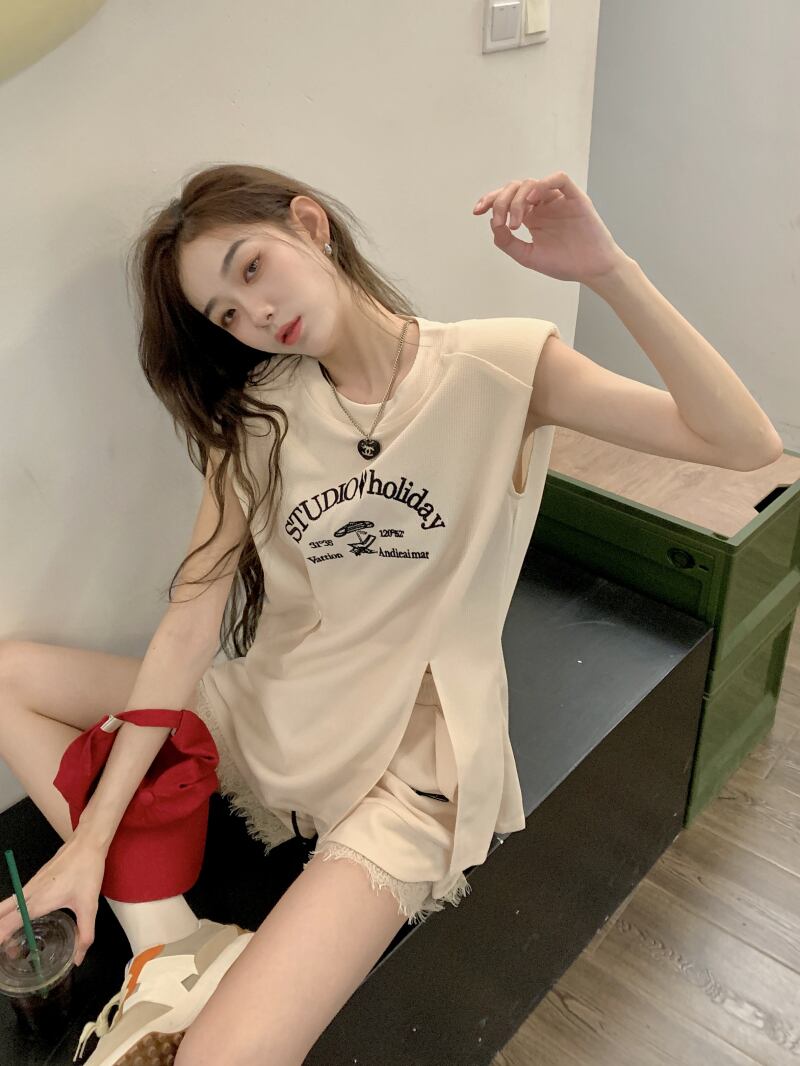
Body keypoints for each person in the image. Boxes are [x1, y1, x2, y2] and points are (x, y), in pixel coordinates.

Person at [0, 162, 560, 1066]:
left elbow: (737, 439)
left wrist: (605, 270)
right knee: (9, 677)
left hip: (406, 763)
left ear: (310, 224)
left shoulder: (494, 364)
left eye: (252, 268)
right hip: (282, 707)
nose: (254, 314)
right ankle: (167, 942)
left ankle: (170, 948)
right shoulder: (263, 417)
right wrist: (86, 846)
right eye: (224, 312)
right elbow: (191, 622)